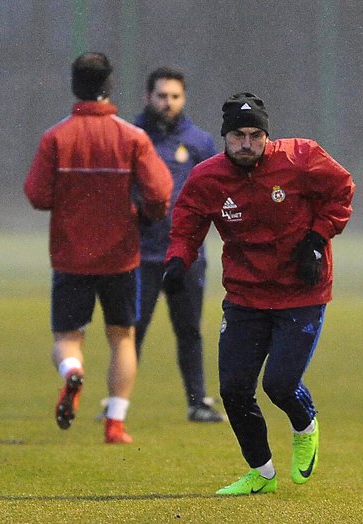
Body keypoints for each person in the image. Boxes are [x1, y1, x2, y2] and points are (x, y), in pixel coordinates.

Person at [164, 93, 354, 494]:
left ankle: (305, 426)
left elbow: (342, 190)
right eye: (238, 135)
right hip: (246, 296)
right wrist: (177, 262)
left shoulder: (302, 158)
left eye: (254, 135)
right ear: (226, 137)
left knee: (280, 385)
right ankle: (261, 473)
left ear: (267, 135)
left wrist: (316, 240)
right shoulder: (207, 178)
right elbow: (186, 225)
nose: (246, 143)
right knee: (233, 389)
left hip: (301, 292)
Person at [24, 52, 173, 444]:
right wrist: (145, 215)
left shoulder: (57, 137)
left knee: (67, 338)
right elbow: (160, 192)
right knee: (122, 337)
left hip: (71, 255)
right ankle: (116, 422)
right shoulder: (132, 137)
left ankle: (72, 371)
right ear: (109, 86)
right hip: (121, 255)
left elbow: (37, 194)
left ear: (75, 86)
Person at [132, 66, 223, 423]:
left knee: (189, 330)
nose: (167, 102)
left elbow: (216, 193)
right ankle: (117, 403)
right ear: (147, 97)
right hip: (140, 254)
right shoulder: (133, 136)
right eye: (161, 95)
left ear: (183, 98)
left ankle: (197, 402)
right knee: (131, 330)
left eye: (174, 96)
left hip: (187, 256)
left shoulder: (200, 143)